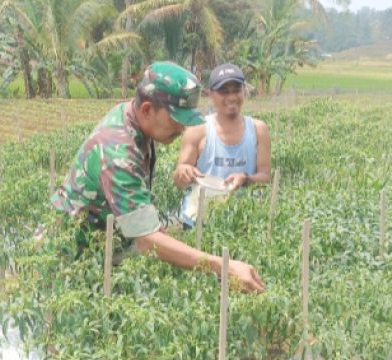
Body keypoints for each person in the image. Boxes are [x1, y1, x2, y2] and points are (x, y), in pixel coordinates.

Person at [50, 61, 265, 294]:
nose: (181, 128)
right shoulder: (117, 151)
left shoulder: (133, 118)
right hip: (68, 262)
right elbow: (145, 240)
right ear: (146, 109)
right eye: (175, 120)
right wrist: (224, 267)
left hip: (99, 250)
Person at [173, 63, 272, 227]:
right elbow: (179, 179)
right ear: (211, 94)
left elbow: (265, 176)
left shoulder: (258, 130)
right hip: (199, 220)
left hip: (243, 221)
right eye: (224, 91)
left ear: (244, 91)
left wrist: (245, 178)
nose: (232, 97)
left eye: (236, 90)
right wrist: (183, 172)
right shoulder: (198, 130)